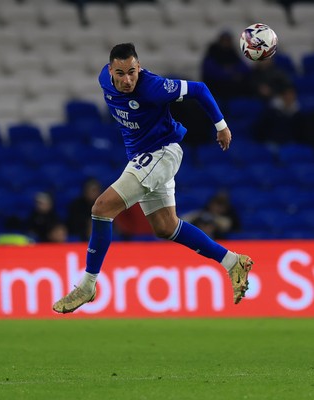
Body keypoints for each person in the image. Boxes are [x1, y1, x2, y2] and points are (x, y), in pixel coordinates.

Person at [53, 43, 254, 313]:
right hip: (142, 158)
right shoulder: (104, 79)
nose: (127, 80)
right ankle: (233, 262)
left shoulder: (153, 87)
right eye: (121, 73)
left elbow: (200, 89)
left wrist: (221, 126)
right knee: (165, 227)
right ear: (110, 71)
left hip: (162, 153)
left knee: (101, 208)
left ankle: (88, 285)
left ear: (140, 67)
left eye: (132, 72)